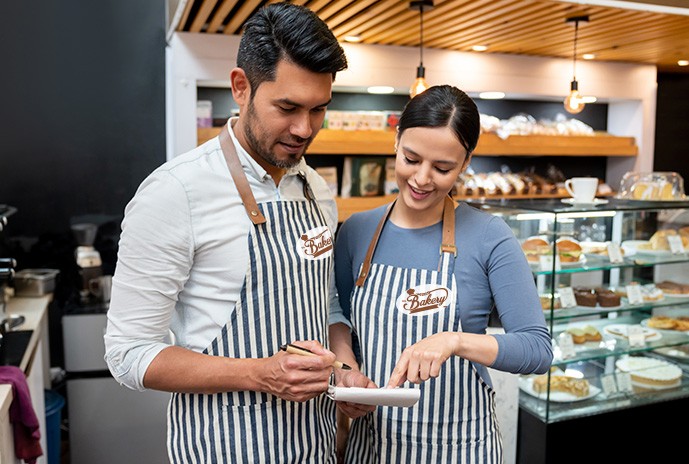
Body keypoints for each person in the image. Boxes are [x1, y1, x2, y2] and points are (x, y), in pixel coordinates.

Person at [104, 3, 349, 462]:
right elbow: (129, 353)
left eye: (319, 110)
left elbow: (326, 302)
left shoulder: (316, 190)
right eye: (288, 107)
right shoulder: (175, 193)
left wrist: (346, 368)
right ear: (241, 87)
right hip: (222, 446)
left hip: (313, 446)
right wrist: (260, 373)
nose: (304, 129)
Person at [329, 85, 554, 463]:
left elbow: (537, 349)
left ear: (465, 163)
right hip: (373, 446)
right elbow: (338, 317)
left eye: (443, 168)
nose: (421, 179)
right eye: (411, 159)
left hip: (460, 447)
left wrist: (455, 341)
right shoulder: (357, 230)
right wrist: (348, 374)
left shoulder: (489, 236)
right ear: (396, 141)